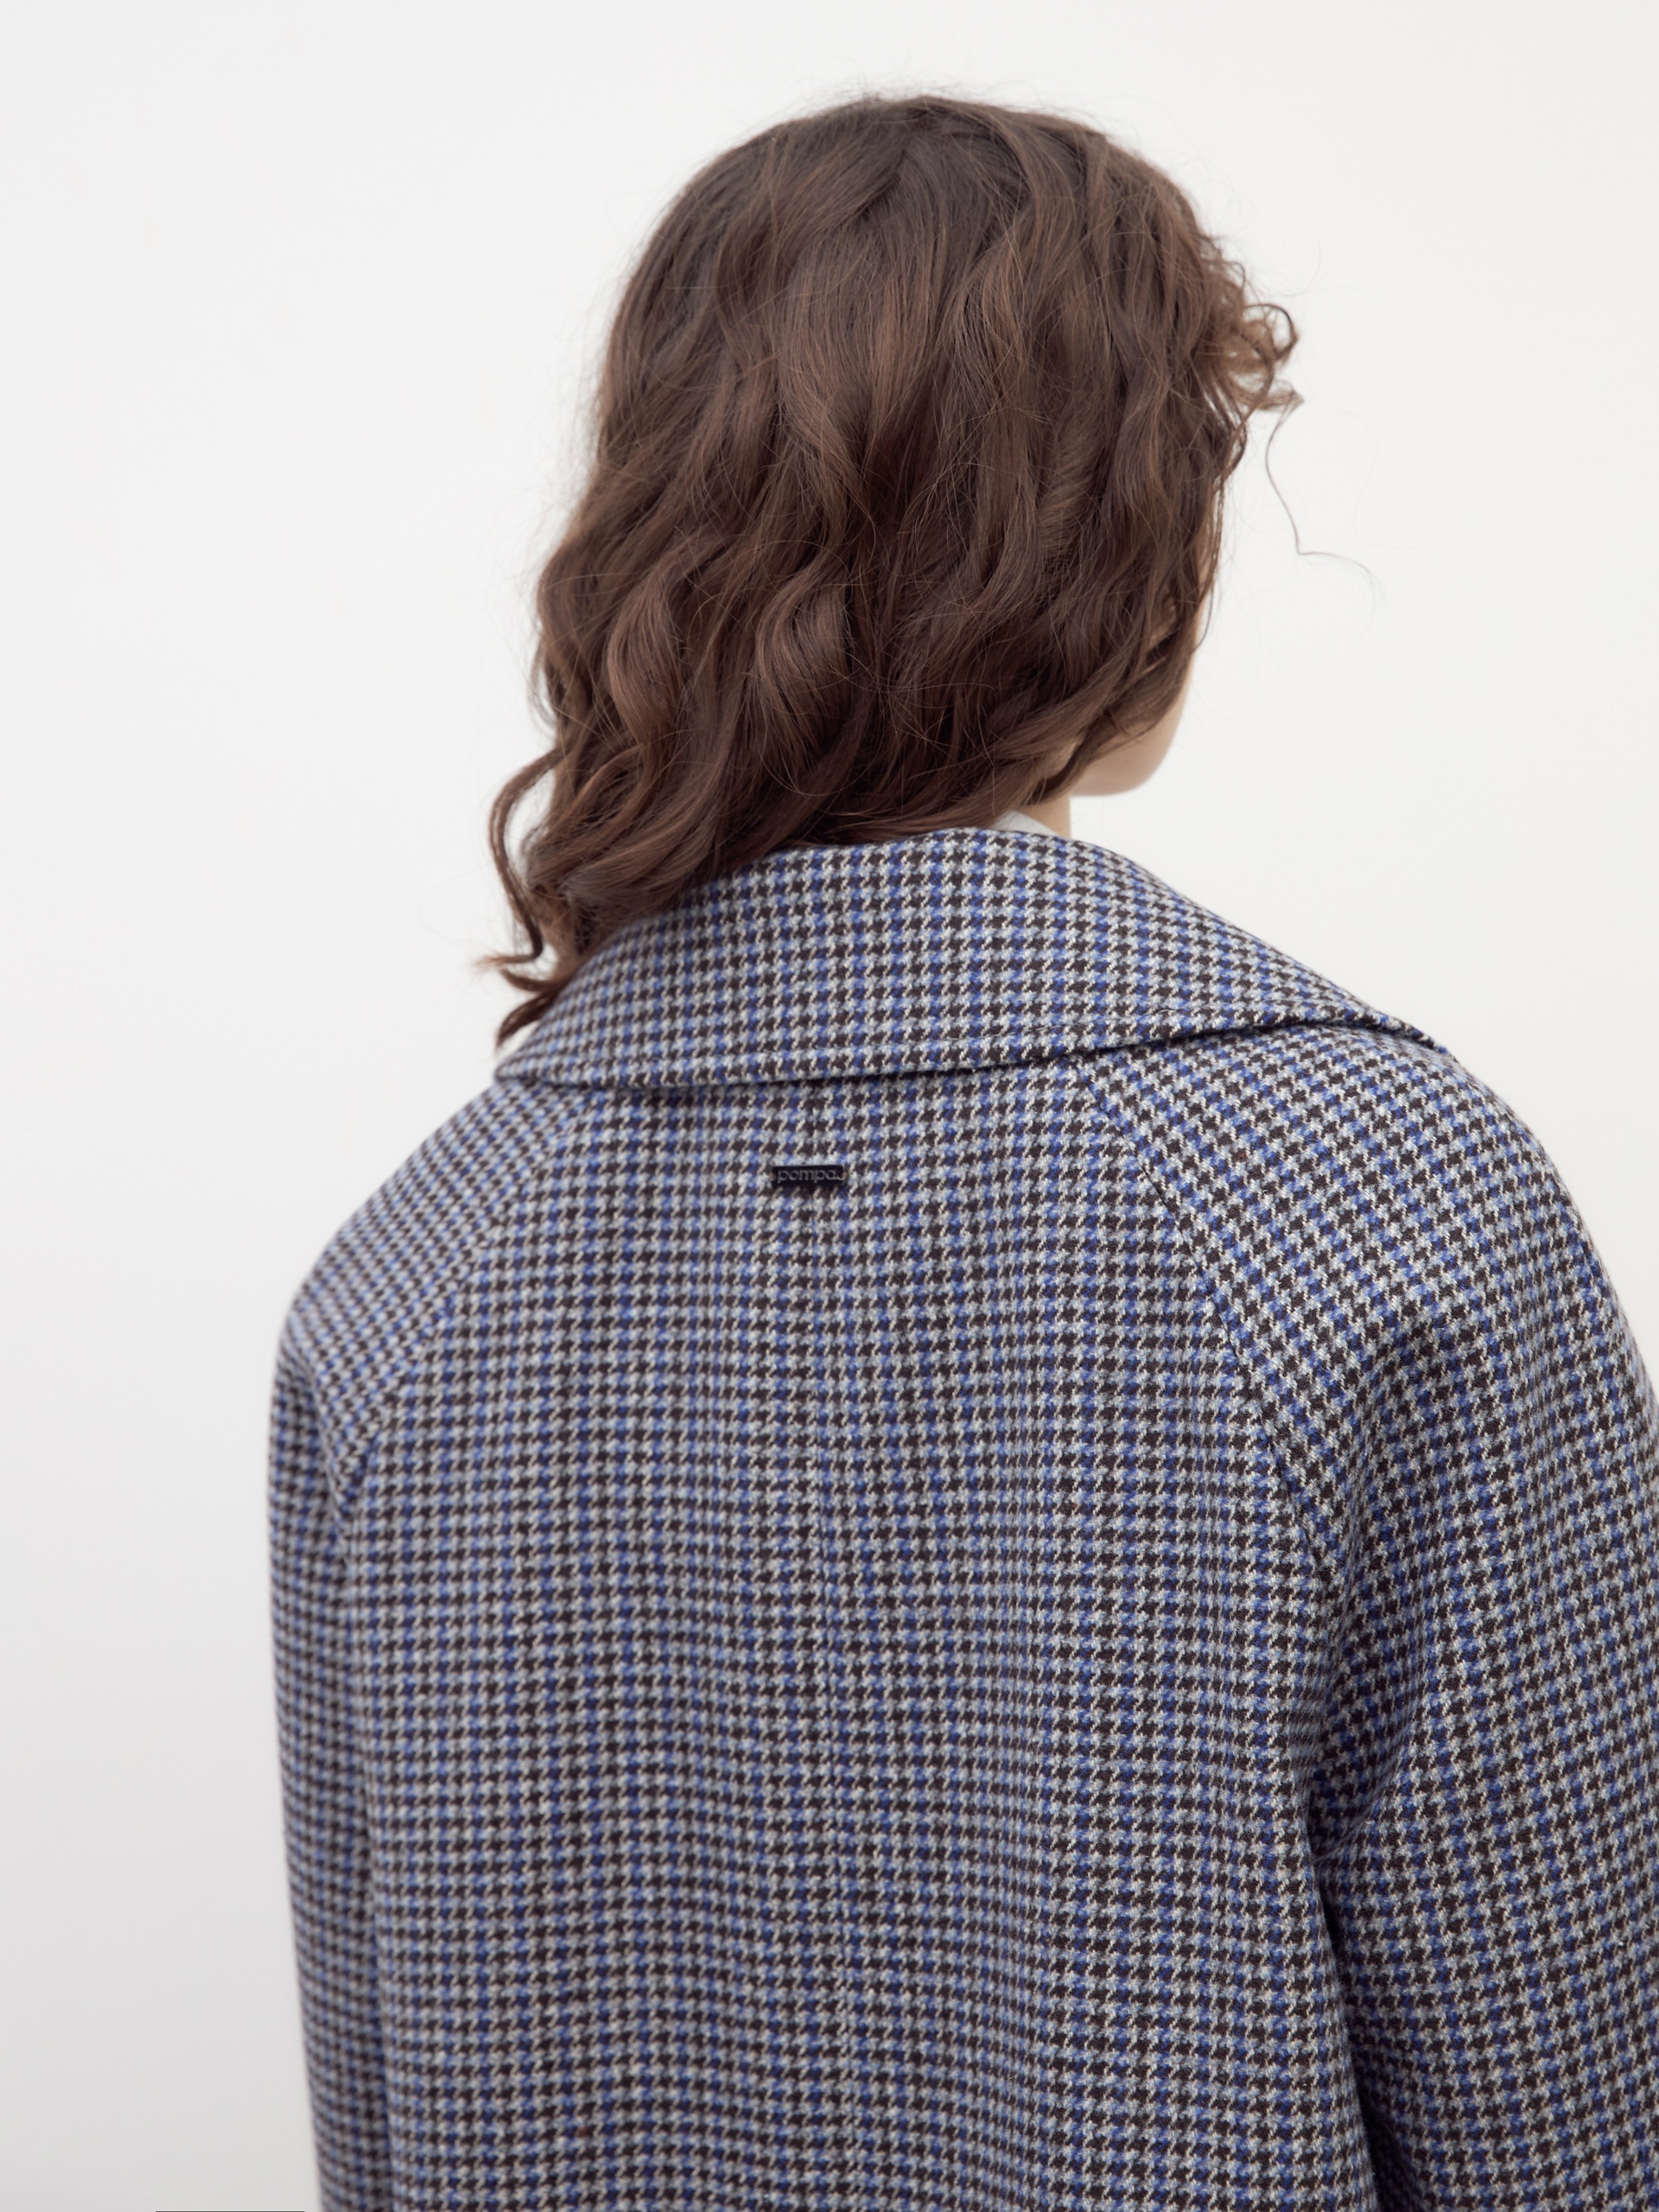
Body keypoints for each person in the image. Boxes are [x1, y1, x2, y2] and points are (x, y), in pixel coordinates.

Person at [268, 93, 1659, 2211]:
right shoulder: (1384, 1208)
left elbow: (388, 2140)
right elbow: (1579, 2110)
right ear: (1135, 540)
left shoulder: (402, 1296)